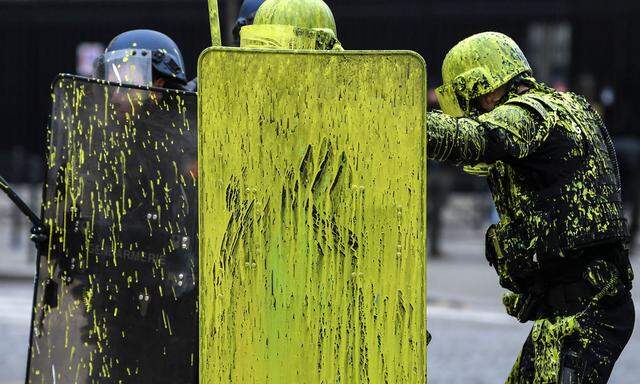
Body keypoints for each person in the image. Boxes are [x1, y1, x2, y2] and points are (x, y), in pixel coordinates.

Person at [427, 32, 634, 383]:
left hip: (585, 311)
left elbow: (476, 138)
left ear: (483, 87)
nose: (473, 114)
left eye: (471, 103)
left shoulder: (531, 114)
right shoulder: (567, 106)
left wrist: (396, 116)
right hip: (574, 309)